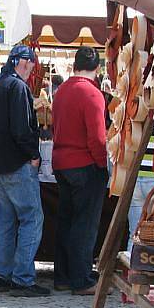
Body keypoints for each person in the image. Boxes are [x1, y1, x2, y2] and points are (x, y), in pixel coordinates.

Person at [0, 45, 50, 297]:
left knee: (7, 223)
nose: (32, 68)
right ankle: (22, 278)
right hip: (18, 164)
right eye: (31, 64)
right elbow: (21, 129)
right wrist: (34, 154)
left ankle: (4, 276)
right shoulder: (18, 88)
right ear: (22, 62)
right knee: (32, 219)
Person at [51, 47, 109, 295]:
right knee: (84, 224)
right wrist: (102, 164)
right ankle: (82, 279)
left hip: (61, 162)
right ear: (97, 68)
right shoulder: (93, 94)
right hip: (84, 164)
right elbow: (97, 138)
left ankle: (63, 276)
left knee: (66, 220)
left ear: (75, 65)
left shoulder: (61, 90)